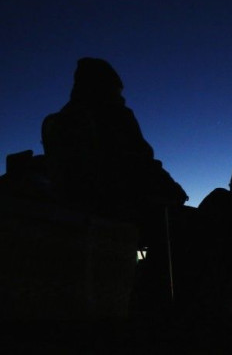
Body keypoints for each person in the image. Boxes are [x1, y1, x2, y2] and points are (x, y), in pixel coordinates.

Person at [41, 57, 189, 310]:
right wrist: (173, 190)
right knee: (184, 228)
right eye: (117, 91)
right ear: (106, 88)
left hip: (73, 205)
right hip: (112, 203)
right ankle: (160, 306)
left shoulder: (57, 120)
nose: (121, 97)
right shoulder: (113, 114)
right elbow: (139, 161)